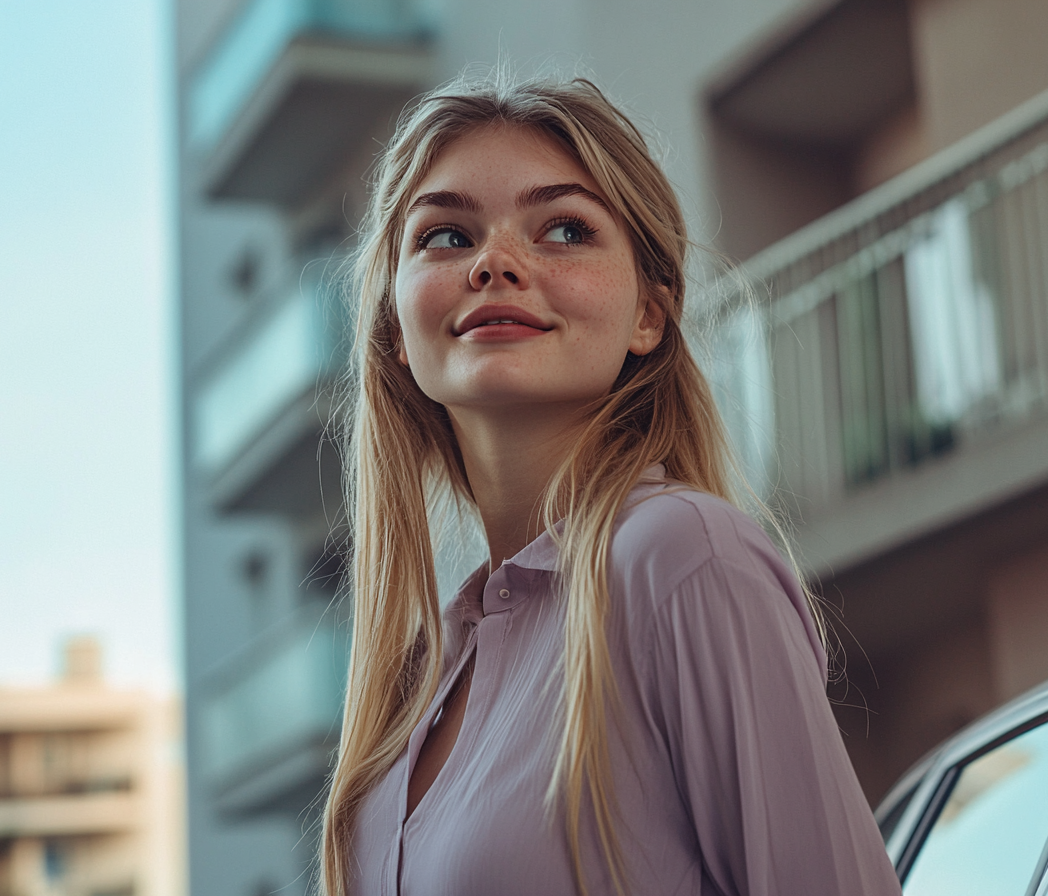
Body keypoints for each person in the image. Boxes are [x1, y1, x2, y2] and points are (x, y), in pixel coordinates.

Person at [319, 74, 901, 896]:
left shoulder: (684, 560)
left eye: (563, 228)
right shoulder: (419, 678)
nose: (495, 262)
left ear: (648, 315)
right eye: (446, 237)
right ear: (398, 334)